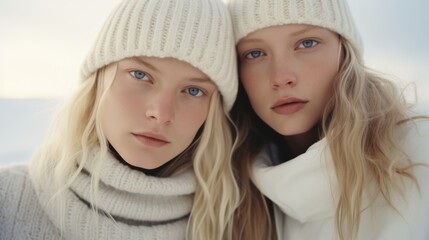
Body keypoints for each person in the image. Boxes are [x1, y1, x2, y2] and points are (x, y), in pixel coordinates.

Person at [0, 0, 240, 239]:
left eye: (193, 91)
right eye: (140, 75)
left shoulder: (230, 227)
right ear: (99, 79)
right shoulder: (7, 201)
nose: (161, 113)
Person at [226, 0, 429, 239]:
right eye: (255, 53)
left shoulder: (419, 150)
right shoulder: (229, 189)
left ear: (345, 52)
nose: (281, 77)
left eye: (306, 43)